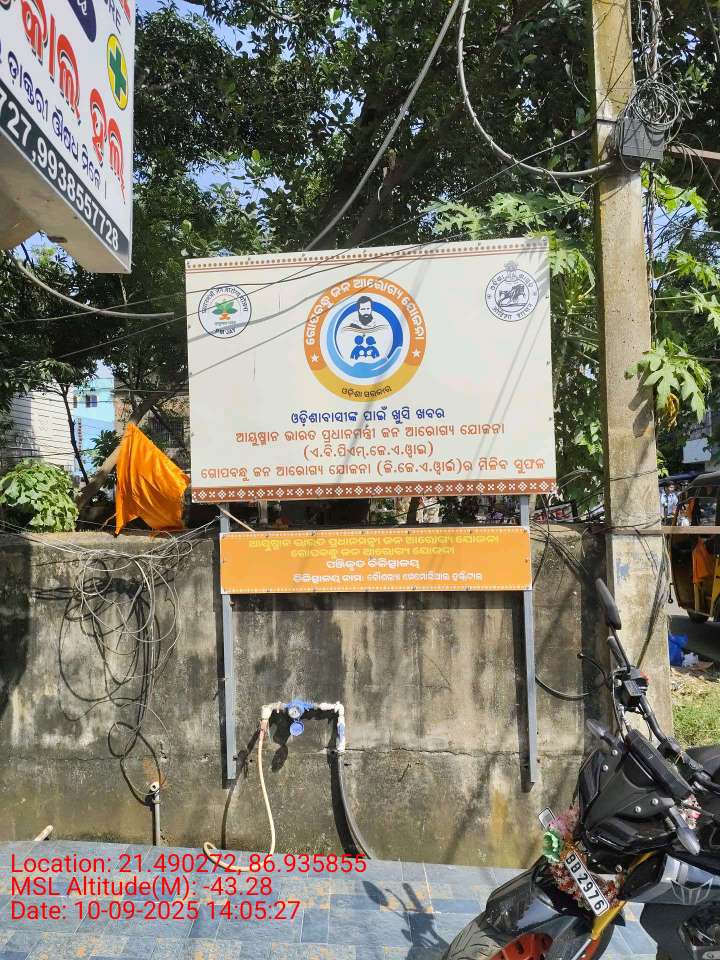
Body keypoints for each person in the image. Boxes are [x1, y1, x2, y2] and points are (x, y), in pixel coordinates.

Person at [336, 296, 393, 363]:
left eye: (368, 308)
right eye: (363, 309)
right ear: (358, 310)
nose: (366, 312)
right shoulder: (352, 325)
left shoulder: (379, 324)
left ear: (371, 309)